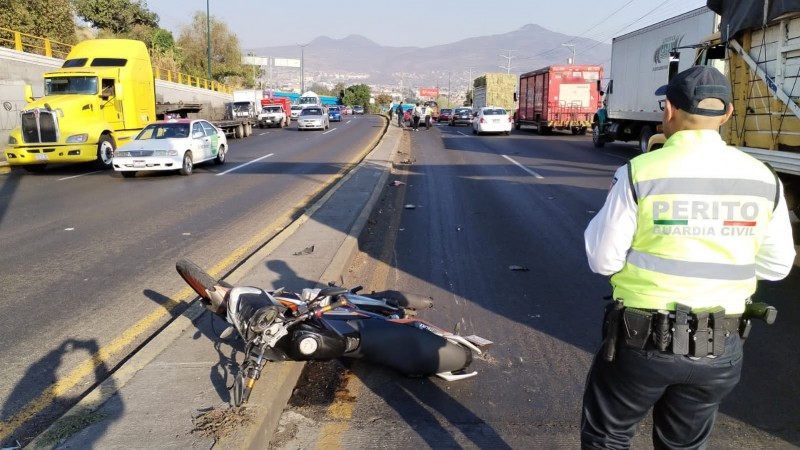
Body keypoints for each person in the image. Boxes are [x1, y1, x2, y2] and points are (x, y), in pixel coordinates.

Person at [581, 66, 795, 449]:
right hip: (720, 347)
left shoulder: (641, 172)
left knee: (609, 436)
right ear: (728, 114)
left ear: (669, 110)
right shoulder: (764, 178)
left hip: (640, 342)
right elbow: (777, 267)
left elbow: (602, 260)